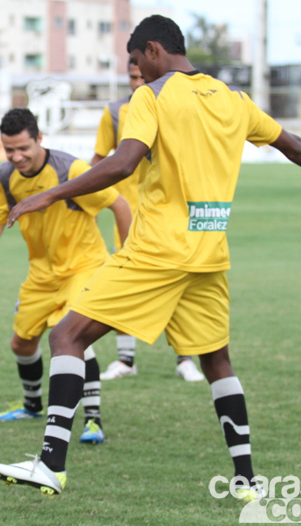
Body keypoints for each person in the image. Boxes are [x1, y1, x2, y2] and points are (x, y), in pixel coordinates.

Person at [0, 15, 301, 497]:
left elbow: (123, 162)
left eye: (137, 64)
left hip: (159, 249)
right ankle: (247, 480)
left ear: (152, 50)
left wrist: (49, 195)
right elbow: (291, 143)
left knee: (67, 336)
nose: (138, 75)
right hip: (209, 252)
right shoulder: (234, 99)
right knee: (217, 360)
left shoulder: (153, 96)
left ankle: (50, 465)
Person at [0, 108, 132, 444]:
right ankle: (32, 404)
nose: (16, 156)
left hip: (84, 266)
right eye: (9, 150)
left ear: (39, 139)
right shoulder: (5, 176)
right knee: (21, 342)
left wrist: (125, 256)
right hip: (41, 274)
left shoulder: (72, 170)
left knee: (72, 336)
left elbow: (119, 205)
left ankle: (93, 420)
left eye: (23, 148)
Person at [93, 59, 204, 382]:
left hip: (169, 213)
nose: (138, 81)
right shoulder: (114, 112)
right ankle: (126, 360)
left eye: (142, 75)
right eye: (132, 76)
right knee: (122, 286)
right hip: (128, 215)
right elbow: (99, 160)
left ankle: (186, 359)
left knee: (179, 284)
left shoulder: (175, 106)